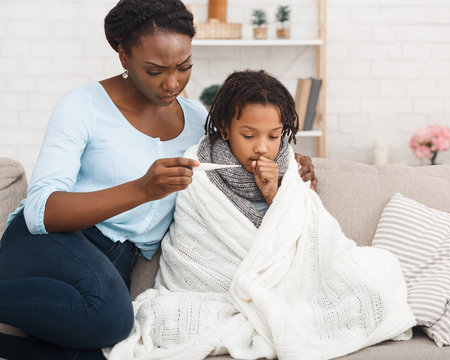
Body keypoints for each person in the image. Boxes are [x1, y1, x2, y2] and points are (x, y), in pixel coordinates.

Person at [0, 1, 316, 359]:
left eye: (185, 67)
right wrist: (142, 189)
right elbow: (41, 212)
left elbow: (245, 153)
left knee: (110, 351)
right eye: (154, 70)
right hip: (51, 244)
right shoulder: (82, 106)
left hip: (116, 263)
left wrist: (294, 166)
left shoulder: (200, 119)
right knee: (112, 321)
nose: (172, 83)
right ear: (123, 54)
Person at [105, 70, 415, 360]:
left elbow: (309, 237)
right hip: (215, 291)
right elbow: (194, 245)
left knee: (375, 274)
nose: (262, 149)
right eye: (249, 135)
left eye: (273, 136)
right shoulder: (198, 171)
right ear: (225, 129)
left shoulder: (292, 170)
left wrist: (274, 194)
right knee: (165, 317)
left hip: (288, 285)